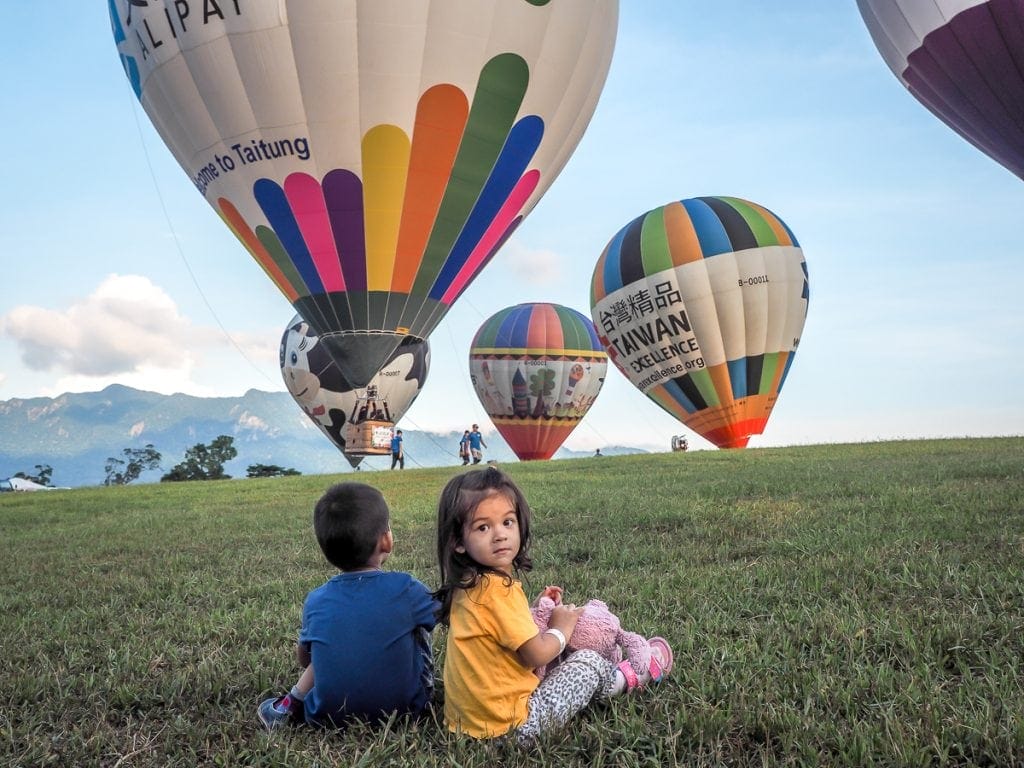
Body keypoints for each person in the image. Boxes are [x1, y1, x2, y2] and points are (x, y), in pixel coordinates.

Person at [433, 467, 672, 742]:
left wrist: (536, 608)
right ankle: (629, 678)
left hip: (464, 726)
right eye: (483, 527)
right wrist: (561, 628)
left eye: (507, 522)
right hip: (512, 727)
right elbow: (534, 655)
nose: (499, 534)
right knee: (587, 662)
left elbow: (502, 628)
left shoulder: (469, 586)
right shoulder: (498, 592)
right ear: (458, 541)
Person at [258, 483, 438, 729]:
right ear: (386, 540)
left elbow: (304, 658)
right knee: (419, 628)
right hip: (407, 713)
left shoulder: (316, 599)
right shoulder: (407, 589)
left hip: (325, 716)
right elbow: (449, 612)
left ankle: (288, 705)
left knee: (332, 645)